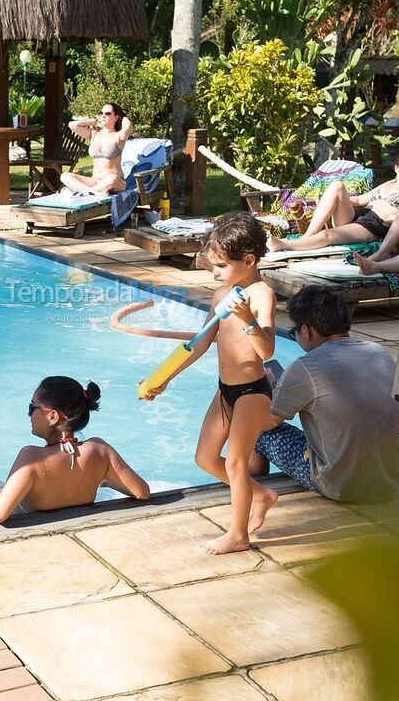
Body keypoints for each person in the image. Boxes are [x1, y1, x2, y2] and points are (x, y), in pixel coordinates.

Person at [140, 211, 278, 554]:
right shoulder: (220, 295)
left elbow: (266, 351)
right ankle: (260, 494)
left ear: (248, 260)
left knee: (234, 462)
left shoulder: (262, 296)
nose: (214, 273)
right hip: (225, 391)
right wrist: (166, 379)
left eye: (220, 266)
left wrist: (247, 319)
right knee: (205, 458)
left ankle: (238, 535)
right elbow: (200, 343)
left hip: (252, 392)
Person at [252, 286, 399, 502]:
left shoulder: (305, 367)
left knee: (252, 426)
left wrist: (265, 390)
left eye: (294, 332)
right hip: (390, 480)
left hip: (340, 485)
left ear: (306, 330)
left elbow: (266, 423)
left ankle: (253, 486)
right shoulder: (379, 353)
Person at [0, 377, 149, 524]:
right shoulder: (100, 451)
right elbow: (142, 492)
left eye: (32, 407)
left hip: (30, 524)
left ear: (52, 416)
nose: (28, 413)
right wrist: (107, 480)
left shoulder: (31, 457)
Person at [268, 150, 399, 253]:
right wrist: (327, 200)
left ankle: (285, 244)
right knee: (336, 186)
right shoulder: (386, 185)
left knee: (329, 235)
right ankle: (308, 235)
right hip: (358, 217)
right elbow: (359, 200)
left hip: (374, 226)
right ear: (396, 168)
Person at [61, 102, 133, 196]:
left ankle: (82, 192)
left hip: (115, 182)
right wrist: (91, 122)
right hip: (95, 181)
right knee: (65, 176)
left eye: (107, 113)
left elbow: (128, 127)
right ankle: (92, 192)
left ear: (116, 117)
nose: (103, 116)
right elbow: (72, 125)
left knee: (113, 178)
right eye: (101, 113)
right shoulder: (94, 134)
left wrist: (123, 117)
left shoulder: (118, 136)